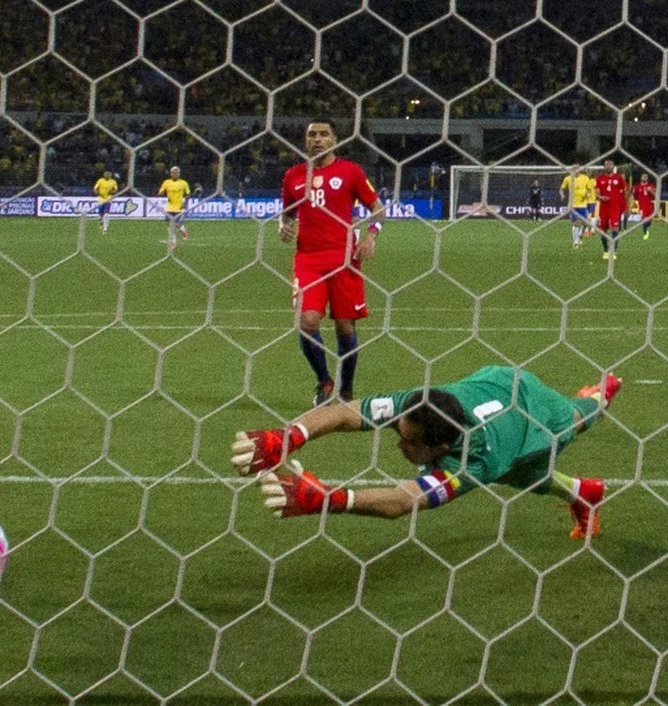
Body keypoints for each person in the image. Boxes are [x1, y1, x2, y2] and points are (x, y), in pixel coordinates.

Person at [231, 366, 621, 540]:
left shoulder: (474, 462)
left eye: (409, 444)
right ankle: (584, 493)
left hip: (533, 411)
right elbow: (345, 413)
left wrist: (330, 500)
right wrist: (287, 437)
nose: (397, 444)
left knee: (578, 417)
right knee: (516, 474)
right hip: (495, 382)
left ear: (442, 449)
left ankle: (601, 392)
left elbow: (404, 500)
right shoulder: (418, 406)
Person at [280, 119, 385, 406]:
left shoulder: (350, 172)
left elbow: (377, 209)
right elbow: (288, 213)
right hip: (308, 260)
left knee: (345, 329)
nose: (317, 139)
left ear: (334, 140)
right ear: (305, 141)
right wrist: (284, 226)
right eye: (311, 134)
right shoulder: (293, 176)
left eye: (323, 134)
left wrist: (371, 237)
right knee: (307, 321)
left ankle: (346, 389)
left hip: (345, 259)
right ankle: (324, 381)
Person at [595, 159, 628, 260]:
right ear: (604, 167)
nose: (608, 166)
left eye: (610, 165)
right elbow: (596, 193)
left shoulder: (619, 178)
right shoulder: (599, 178)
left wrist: (627, 206)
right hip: (604, 208)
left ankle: (613, 251)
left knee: (615, 229)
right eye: (606, 165)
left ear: (613, 166)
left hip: (615, 207)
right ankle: (605, 251)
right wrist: (601, 197)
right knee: (603, 230)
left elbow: (625, 192)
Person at [558, 164, 592, 249]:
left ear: (579, 170)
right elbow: (561, 189)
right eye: (573, 169)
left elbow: (589, 190)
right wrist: (562, 195)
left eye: (576, 168)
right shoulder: (568, 179)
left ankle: (580, 236)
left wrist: (587, 195)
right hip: (572, 205)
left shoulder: (585, 178)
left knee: (585, 223)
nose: (575, 170)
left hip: (583, 205)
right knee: (576, 223)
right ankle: (575, 242)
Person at [157, 166, 190, 249]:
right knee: (171, 225)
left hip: (179, 207)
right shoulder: (166, 182)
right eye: (173, 173)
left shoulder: (183, 183)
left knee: (177, 224)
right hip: (169, 208)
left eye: (177, 173)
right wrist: (161, 193)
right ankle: (173, 242)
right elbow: (160, 192)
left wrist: (185, 203)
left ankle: (183, 230)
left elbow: (188, 194)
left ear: (179, 174)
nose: (175, 174)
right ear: (171, 174)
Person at [632, 172, 656, 240]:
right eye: (643, 176)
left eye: (646, 177)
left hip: (649, 206)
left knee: (650, 221)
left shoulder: (650, 186)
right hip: (642, 207)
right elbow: (635, 196)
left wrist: (651, 191)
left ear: (647, 179)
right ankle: (645, 233)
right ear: (641, 178)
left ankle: (647, 227)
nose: (644, 178)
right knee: (644, 220)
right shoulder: (637, 187)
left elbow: (655, 195)